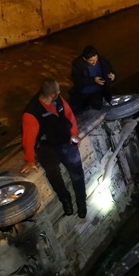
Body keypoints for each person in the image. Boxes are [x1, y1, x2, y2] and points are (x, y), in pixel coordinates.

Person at [21, 78, 87, 219]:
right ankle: (66, 200)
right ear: (51, 95)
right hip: (47, 147)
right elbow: (29, 139)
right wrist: (30, 160)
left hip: (65, 141)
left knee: (77, 174)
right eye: (58, 91)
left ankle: (81, 202)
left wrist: (74, 133)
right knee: (54, 176)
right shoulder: (31, 113)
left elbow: (69, 115)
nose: (59, 93)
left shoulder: (58, 100)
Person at [69, 45, 116, 111]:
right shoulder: (78, 64)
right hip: (82, 92)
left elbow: (110, 71)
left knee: (97, 107)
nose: (94, 62)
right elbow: (77, 80)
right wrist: (93, 80)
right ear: (85, 59)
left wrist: (113, 76)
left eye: (96, 59)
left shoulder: (102, 61)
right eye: (91, 60)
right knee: (75, 109)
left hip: (98, 92)